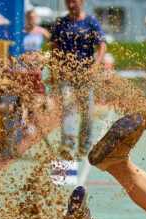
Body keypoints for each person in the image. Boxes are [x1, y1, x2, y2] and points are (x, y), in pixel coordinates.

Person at [50, 0, 106, 160]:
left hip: (85, 75)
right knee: (68, 109)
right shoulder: (61, 22)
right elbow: (54, 47)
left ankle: (84, 147)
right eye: (68, 2)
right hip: (66, 75)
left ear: (81, 2)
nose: (71, 5)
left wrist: (95, 66)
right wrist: (55, 70)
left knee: (87, 113)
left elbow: (102, 45)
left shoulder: (91, 21)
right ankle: (67, 146)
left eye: (73, 2)